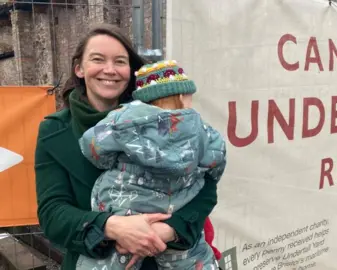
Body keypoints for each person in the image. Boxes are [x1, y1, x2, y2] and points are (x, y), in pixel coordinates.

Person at [34, 23, 220, 270]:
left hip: (169, 258)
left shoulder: (168, 119)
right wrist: (112, 227)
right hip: (93, 260)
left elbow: (205, 188)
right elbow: (52, 212)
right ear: (79, 68)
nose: (109, 70)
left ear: (131, 70)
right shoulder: (54, 132)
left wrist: (166, 231)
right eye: (98, 59)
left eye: (120, 61)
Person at [75, 60, 226, 269]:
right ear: (183, 96)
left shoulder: (121, 120)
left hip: (125, 210)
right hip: (175, 211)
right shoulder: (205, 131)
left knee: (112, 259)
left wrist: (113, 161)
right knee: (191, 257)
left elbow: (91, 147)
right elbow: (216, 165)